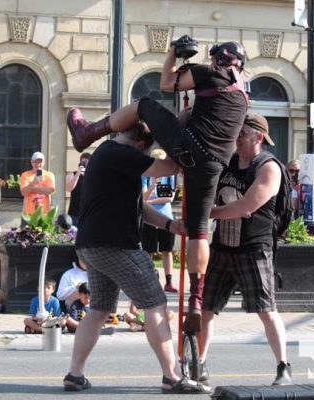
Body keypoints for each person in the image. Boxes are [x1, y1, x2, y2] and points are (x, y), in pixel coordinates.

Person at [67, 39, 248, 332]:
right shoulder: (243, 92)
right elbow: (207, 118)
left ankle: (87, 134)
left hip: (191, 150)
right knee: (199, 230)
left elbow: (166, 83)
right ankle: (196, 300)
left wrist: (172, 54)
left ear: (218, 59)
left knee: (144, 105)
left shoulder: (209, 72)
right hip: (215, 162)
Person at [62, 121, 209, 394]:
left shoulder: (106, 154)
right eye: (145, 151)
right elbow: (170, 167)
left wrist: (169, 225)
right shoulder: (121, 153)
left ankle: (75, 374)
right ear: (140, 145)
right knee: (155, 303)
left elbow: (138, 206)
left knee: (99, 309)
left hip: (92, 245)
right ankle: (172, 376)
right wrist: (184, 143)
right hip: (116, 245)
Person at [200, 114, 292, 386]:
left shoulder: (268, 167)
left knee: (266, 309)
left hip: (254, 249)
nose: (236, 139)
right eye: (234, 133)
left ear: (257, 137)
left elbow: (247, 206)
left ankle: (283, 366)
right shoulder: (227, 163)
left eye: (241, 134)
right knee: (206, 308)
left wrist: (208, 213)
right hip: (221, 248)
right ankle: (200, 363)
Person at [142, 149, 178, 293]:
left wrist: (150, 201)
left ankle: (168, 281)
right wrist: (152, 186)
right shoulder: (145, 176)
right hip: (149, 218)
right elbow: (143, 197)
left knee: (166, 250)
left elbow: (169, 198)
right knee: (148, 251)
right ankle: (149, 281)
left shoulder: (169, 176)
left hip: (165, 216)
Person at [20, 151, 56, 221]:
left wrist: (31, 188)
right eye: (35, 162)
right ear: (31, 162)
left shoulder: (49, 175)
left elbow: (51, 190)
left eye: (40, 162)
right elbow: (23, 192)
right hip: (28, 214)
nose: (38, 164)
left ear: (44, 163)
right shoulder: (25, 175)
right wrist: (34, 182)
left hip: (44, 214)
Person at [66, 152, 91, 226]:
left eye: (87, 163)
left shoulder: (93, 176)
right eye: (83, 162)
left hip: (88, 213)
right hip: (74, 213)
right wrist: (78, 174)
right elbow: (68, 189)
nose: (85, 165)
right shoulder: (72, 175)